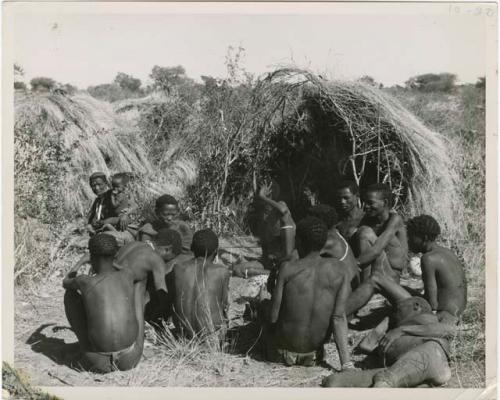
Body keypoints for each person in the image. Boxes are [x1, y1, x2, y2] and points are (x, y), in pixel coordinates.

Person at [322, 273, 455, 388]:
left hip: (428, 354)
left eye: (397, 309)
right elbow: (366, 344)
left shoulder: (428, 318)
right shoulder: (395, 325)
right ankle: (408, 383)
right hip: (396, 367)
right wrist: (389, 320)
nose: (394, 312)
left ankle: (388, 382)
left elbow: (448, 330)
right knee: (333, 381)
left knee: (386, 379)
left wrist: (402, 330)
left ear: (416, 306)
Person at [260, 217, 353, 369]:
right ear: (323, 242)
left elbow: (273, 317)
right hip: (314, 356)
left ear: (299, 242)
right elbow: (338, 318)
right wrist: (347, 364)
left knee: (262, 305)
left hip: (281, 355)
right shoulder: (340, 270)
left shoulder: (287, 268)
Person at [63, 234, 144, 373]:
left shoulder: (84, 281)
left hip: (96, 361)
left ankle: (84, 347)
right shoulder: (127, 274)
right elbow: (133, 274)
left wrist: (81, 261)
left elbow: (65, 282)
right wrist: (114, 260)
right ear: (116, 254)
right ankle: (139, 342)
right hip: (131, 358)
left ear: (91, 256)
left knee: (70, 294)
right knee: (138, 288)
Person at [169, 229, 231, 340]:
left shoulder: (177, 268)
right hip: (211, 336)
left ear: (191, 248)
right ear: (216, 251)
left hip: (183, 335)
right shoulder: (222, 272)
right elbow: (224, 305)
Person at [407, 215, 467, 325]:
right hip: (459, 312)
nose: (409, 241)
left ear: (424, 237)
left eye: (411, 236)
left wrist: (407, 294)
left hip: (444, 316)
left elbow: (432, 303)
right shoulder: (448, 252)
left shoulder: (428, 259)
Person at [354, 183, 408, 282]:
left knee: (364, 233)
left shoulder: (395, 220)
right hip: (376, 273)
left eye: (370, 203)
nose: (365, 206)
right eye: (364, 202)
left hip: (391, 276)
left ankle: (365, 287)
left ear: (385, 202)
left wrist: (353, 264)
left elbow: (376, 250)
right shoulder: (367, 220)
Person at [307, 204, 360, 288]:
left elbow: (300, 258)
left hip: (349, 289)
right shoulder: (335, 233)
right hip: (351, 285)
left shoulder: (328, 241)